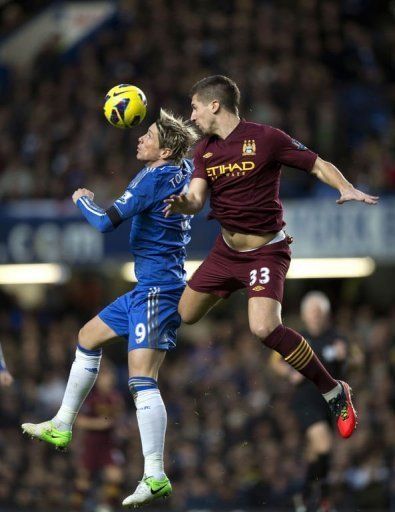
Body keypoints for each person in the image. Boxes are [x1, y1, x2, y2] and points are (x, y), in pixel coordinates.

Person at [164, 75, 378, 440]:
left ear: (214, 105)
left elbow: (316, 163)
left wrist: (344, 185)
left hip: (266, 252)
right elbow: (198, 198)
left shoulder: (267, 139)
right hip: (226, 252)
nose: (192, 115)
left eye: (195, 107)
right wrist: (186, 203)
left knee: (263, 328)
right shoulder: (204, 151)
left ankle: (333, 391)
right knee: (185, 315)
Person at [22, 109, 198, 508]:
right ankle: (63, 424)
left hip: (160, 290)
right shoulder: (179, 168)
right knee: (87, 336)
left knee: (141, 380)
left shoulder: (155, 177)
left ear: (165, 148)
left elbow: (104, 223)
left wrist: (83, 200)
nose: (140, 139)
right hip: (145, 289)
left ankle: (154, 473)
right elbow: (190, 157)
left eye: (149, 135)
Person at [271, 291, 347, 512]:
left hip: (330, 402)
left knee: (317, 454)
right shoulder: (297, 339)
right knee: (324, 446)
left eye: (319, 311)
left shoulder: (338, 338)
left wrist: (346, 359)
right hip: (306, 399)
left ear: (326, 314)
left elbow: (357, 360)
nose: (315, 316)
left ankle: (303, 497)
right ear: (304, 315)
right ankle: (323, 498)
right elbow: (275, 361)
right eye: (311, 312)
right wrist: (288, 373)